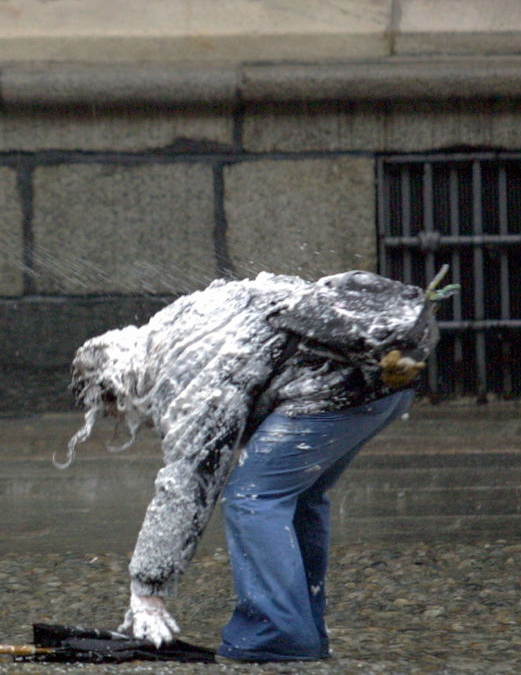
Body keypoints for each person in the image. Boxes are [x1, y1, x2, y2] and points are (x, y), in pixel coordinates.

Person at [62, 269, 441, 663]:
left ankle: (277, 632)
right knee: (300, 496)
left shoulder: (180, 371)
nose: (130, 418)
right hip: (388, 380)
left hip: (334, 391)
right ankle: (303, 626)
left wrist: (147, 592)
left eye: (116, 410)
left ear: (118, 387)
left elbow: (189, 481)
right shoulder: (178, 321)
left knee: (252, 497)